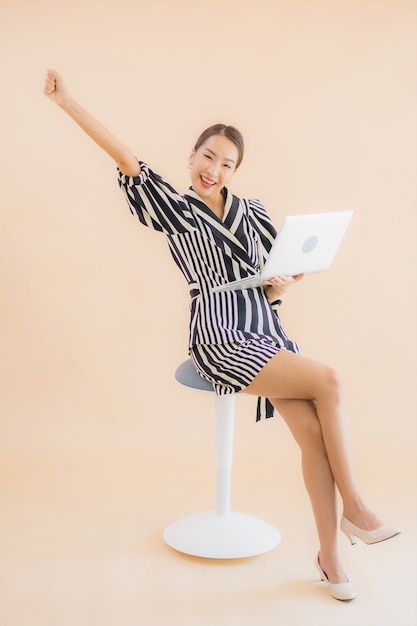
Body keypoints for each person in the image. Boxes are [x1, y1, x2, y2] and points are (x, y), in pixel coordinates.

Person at [43, 69, 400, 601]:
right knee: (330, 380)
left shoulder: (253, 213)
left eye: (226, 163)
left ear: (236, 170)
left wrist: (282, 282)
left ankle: (331, 560)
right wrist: (67, 101)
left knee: (313, 438)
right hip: (219, 333)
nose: (214, 168)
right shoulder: (176, 209)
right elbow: (125, 158)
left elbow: (272, 290)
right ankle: (357, 507)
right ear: (192, 157)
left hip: (266, 330)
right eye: (207, 156)